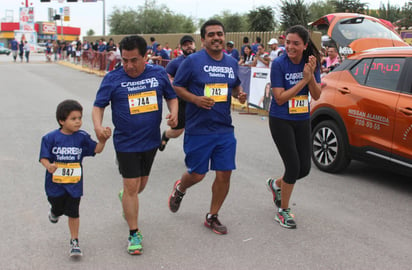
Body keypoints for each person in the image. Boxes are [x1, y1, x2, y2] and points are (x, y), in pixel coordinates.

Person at [92, 35, 178, 255]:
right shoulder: (113, 78)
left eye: (134, 60)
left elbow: (171, 97)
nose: (128, 65)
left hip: (150, 141)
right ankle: (134, 233)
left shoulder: (158, 73)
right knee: (132, 188)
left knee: (140, 187)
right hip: (126, 143)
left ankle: (126, 198)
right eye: (125, 60)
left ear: (145, 56)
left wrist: (174, 113)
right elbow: (98, 106)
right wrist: (98, 127)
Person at [168, 19, 247, 235]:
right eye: (211, 34)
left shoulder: (231, 62)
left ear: (224, 36)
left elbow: (234, 84)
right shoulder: (192, 61)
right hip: (198, 128)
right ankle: (180, 188)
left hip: (224, 129)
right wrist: (195, 99)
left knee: (224, 174)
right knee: (197, 174)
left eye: (219, 34)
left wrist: (238, 94)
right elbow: (177, 87)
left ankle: (212, 216)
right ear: (203, 39)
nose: (216, 38)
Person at [266, 25, 321, 229]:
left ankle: (276, 184)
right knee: (293, 166)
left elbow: (316, 95)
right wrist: (304, 81)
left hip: (302, 118)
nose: (290, 46)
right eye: (287, 42)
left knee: (304, 169)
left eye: (295, 43)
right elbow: (279, 98)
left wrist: (312, 76)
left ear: (305, 45)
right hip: (281, 119)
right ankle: (283, 210)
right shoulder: (279, 64)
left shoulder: (312, 63)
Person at [39, 100, 111, 257]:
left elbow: (96, 150)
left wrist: (103, 141)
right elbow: (43, 157)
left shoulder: (82, 137)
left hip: (74, 185)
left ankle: (74, 241)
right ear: (61, 121)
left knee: (73, 212)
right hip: (55, 185)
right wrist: (48, 165)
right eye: (73, 118)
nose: (78, 121)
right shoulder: (50, 138)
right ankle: (55, 211)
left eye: (80, 117)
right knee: (58, 207)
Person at [159, 35, 196, 151]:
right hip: (180, 100)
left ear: (194, 44)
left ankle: (191, 153)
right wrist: (175, 83)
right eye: (185, 45)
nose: (188, 46)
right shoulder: (175, 63)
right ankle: (166, 134)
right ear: (181, 47)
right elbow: (166, 77)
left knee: (195, 127)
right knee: (178, 131)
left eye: (190, 44)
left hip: (197, 98)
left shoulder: (201, 59)